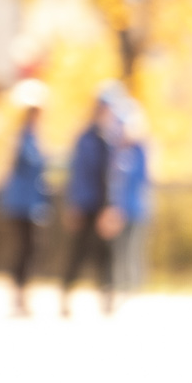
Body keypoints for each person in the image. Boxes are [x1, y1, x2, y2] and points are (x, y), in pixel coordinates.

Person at [57, 93, 121, 316]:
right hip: (86, 204)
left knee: (106, 253)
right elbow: (78, 173)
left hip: (105, 205)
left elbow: (114, 177)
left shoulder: (112, 139)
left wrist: (113, 206)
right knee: (79, 251)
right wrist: (74, 204)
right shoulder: (86, 139)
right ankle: (66, 293)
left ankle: (107, 295)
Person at [0, 93, 52, 315]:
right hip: (22, 202)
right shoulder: (24, 137)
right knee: (26, 248)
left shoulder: (34, 137)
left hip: (31, 202)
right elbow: (29, 164)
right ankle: (19, 292)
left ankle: (21, 291)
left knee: (30, 248)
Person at [106, 104, 153, 303]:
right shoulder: (116, 153)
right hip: (118, 210)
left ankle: (133, 289)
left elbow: (144, 179)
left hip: (136, 209)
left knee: (133, 250)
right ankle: (120, 287)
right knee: (119, 250)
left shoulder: (140, 152)